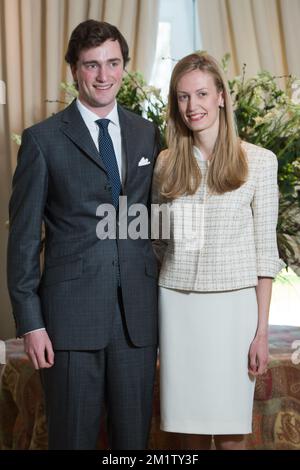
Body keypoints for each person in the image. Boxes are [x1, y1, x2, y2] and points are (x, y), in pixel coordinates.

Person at [7, 19, 160, 450]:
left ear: (125, 67)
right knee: (71, 439)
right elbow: (22, 240)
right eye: (92, 65)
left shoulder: (147, 133)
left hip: (138, 322)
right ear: (75, 69)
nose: (104, 75)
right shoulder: (42, 141)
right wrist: (31, 324)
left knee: (134, 444)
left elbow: (159, 220)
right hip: (68, 322)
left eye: (113, 63)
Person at [152, 52, 284, 450]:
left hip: (234, 311)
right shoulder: (165, 164)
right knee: (183, 434)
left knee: (230, 434)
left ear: (222, 96)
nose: (193, 106)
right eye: (182, 97)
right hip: (177, 306)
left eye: (202, 94)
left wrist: (261, 332)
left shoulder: (260, 162)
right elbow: (157, 240)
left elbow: (265, 253)